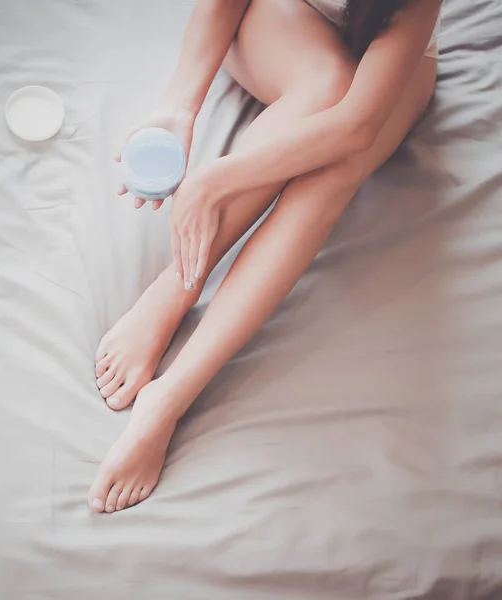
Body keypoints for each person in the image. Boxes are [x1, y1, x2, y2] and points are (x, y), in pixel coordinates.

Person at [88, 0, 442, 513]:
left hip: (390, 69)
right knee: (325, 84)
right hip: (283, 17)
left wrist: (216, 179)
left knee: (335, 172)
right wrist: (179, 108)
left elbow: (356, 126)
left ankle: (167, 400)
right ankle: (172, 292)